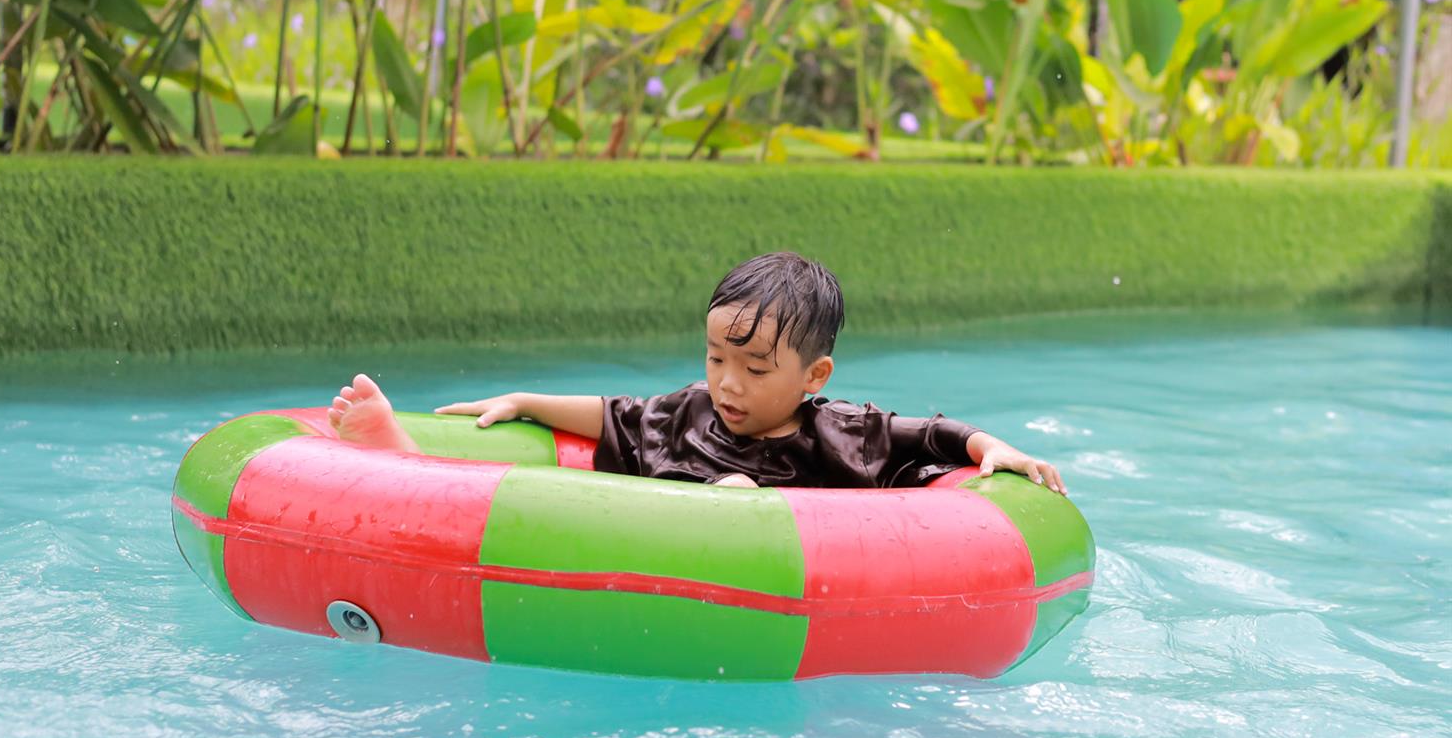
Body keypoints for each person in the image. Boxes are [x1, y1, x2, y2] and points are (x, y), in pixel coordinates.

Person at [327, 251, 1066, 494]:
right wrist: (525, 399)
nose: (728, 384)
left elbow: (933, 436)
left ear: (814, 375)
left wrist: (992, 448)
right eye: (716, 360)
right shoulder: (689, 412)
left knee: (738, 495)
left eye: (754, 368)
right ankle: (406, 465)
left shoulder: (843, 435)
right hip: (641, 548)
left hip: (758, 566)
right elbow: (614, 414)